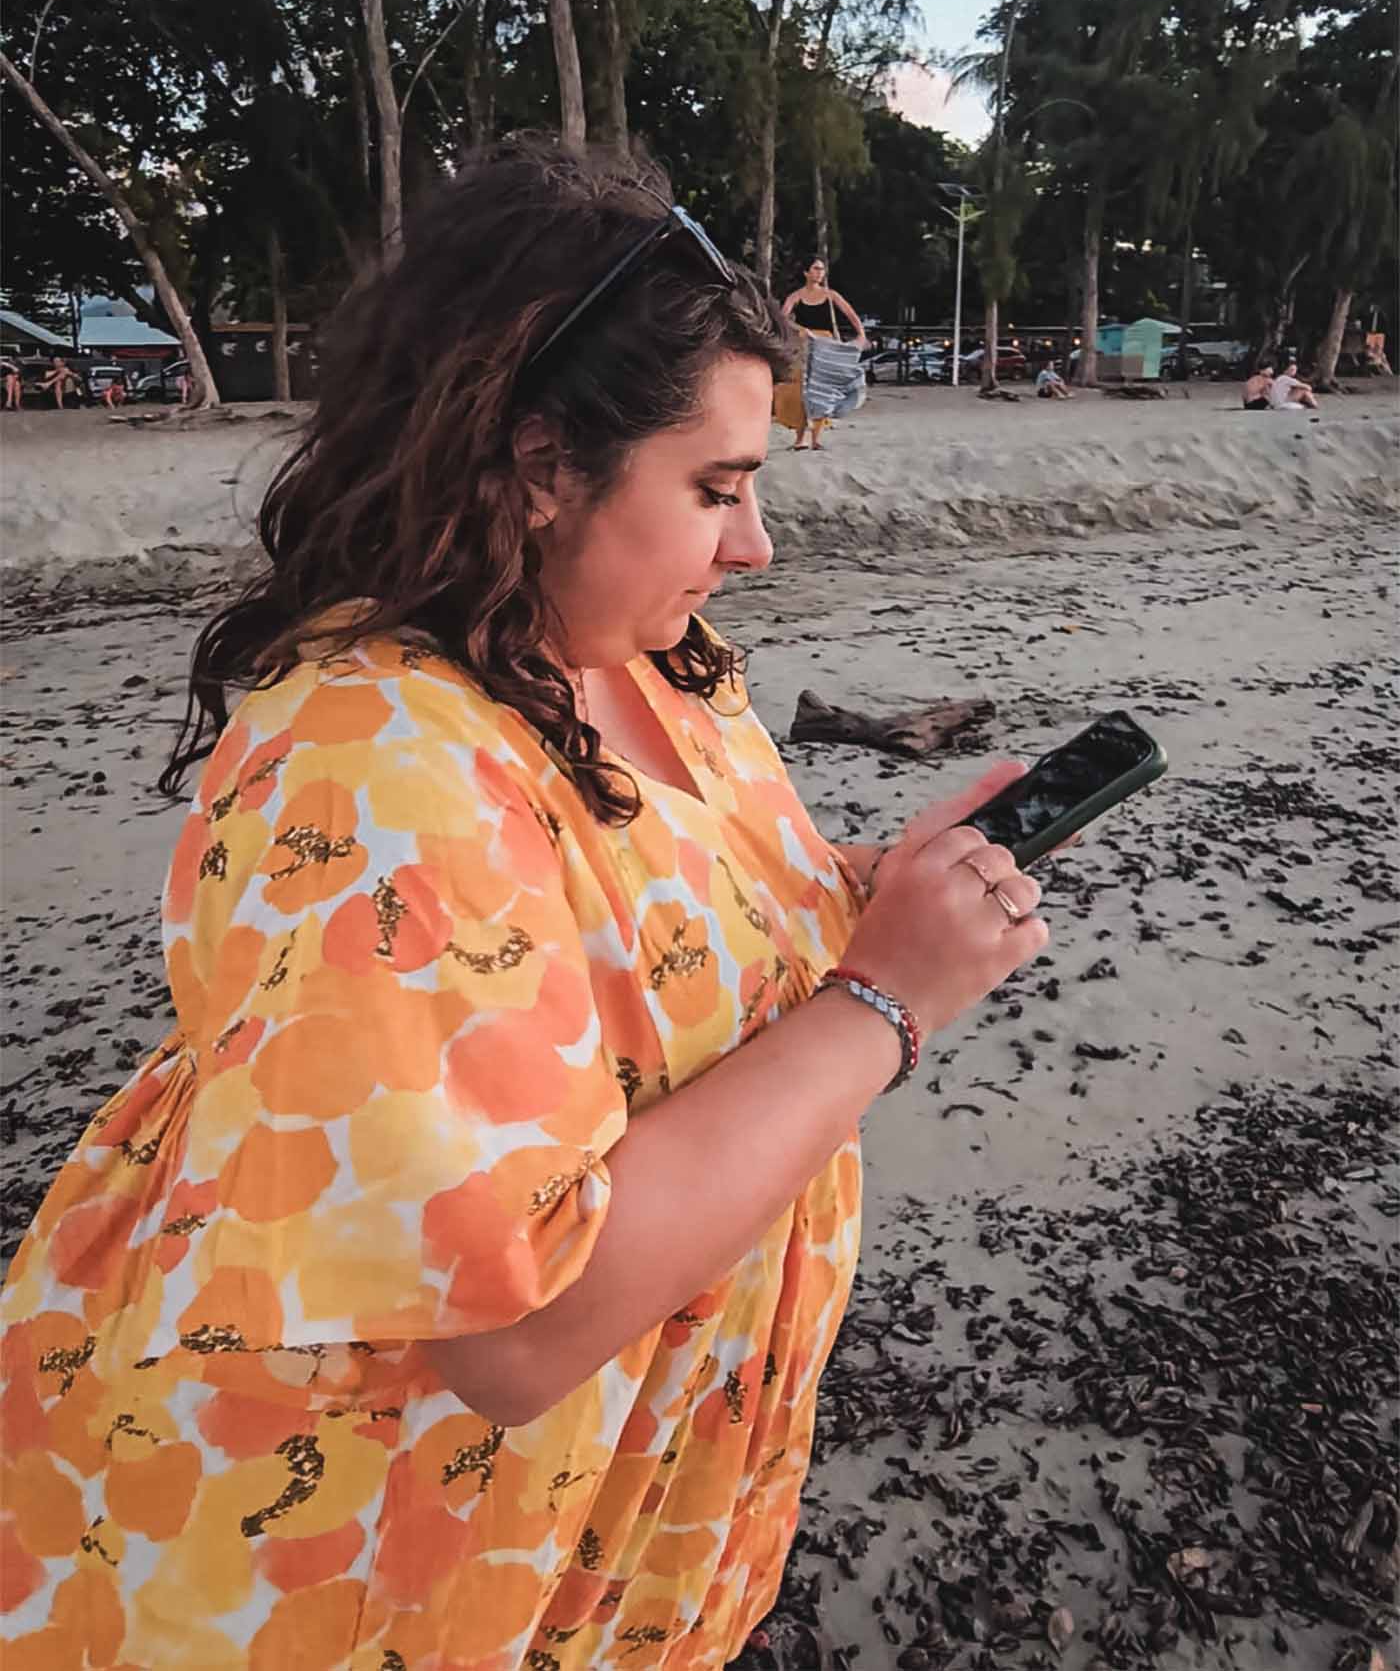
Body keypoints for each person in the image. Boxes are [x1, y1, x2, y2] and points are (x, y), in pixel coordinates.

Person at [0, 138, 1051, 1671]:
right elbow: (512, 1325)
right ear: (543, 459)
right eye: (716, 487)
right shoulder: (374, 765)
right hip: (372, 1562)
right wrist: (888, 1003)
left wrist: (868, 900)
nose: (755, 544)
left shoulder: (639, 657)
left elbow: (661, 942)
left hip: (614, 1516)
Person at [773, 258, 867, 451]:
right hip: (804, 343)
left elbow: (851, 314)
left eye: (822, 269)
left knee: (824, 388)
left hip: (825, 344)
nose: (819, 273)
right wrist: (800, 329)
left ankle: (816, 438)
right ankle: (800, 439)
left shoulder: (830, 295)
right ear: (806, 273)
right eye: (815, 269)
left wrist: (861, 334)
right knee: (800, 390)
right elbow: (783, 319)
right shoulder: (796, 296)